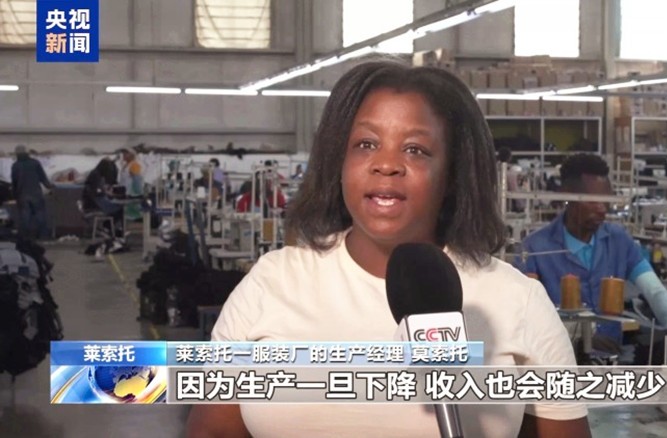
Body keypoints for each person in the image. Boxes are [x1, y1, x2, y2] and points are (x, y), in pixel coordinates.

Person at [186, 61, 590, 438]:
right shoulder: (272, 283)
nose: (387, 164)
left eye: (415, 149)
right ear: (339, 161)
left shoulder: (518, 301)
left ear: (452, 173)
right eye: (366, 144)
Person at [517, 154, 667, 333]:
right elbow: (523, 315)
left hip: (613, 350)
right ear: (568, 195)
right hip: (559, 350)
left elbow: (655, 291)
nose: (602, 209)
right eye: (593, 201)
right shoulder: (533, 249)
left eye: (606, 200)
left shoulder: (619, 241)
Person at [11, 145, 54, 239]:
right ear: (27, 153)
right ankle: (44, 236)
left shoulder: (15, 166)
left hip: (22, 195)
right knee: (40, 215)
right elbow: (43, 177)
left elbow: (14, 182)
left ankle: (24, 238)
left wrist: (14, 195)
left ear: (17, 154)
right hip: (36, 194)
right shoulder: (35, 163)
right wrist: (50, 187)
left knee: (25, 217)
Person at [82, 158, 125, 237]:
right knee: (121, 209)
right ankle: (111, 227)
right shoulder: (96, 177)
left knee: (118, 208)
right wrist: (110, 194)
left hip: (91, 202)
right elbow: (98, 192)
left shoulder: (95, 174)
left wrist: (106, 193)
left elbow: (99, 190)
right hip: (95, 204)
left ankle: (109, 227)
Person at [119, 149, 143, 220]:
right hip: (124, 191)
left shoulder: (134, 165)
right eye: (123, 154)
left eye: (125, 154)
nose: (123, 156)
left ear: (131, 155)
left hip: (131, 192)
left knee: (133, 210)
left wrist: (137, 193)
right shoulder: (125, 165)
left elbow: (137, 180)